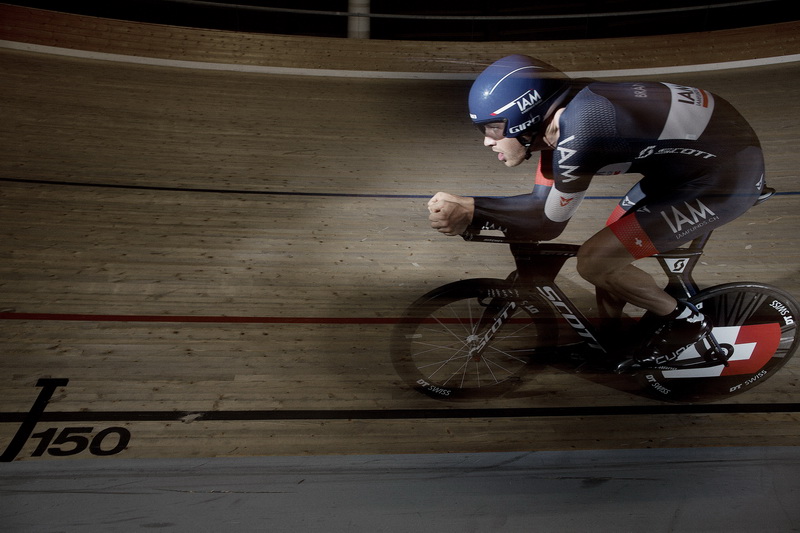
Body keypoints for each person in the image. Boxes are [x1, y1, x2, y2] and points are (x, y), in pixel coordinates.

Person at [427, 54, 768, 366]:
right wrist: (477, 211)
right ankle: (610, 342)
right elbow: (540, 205)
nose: (487, 140)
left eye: (493, 128)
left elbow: (546, 222)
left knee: (597, 259)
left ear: (524, 116)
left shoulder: (583, 131)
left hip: (726, 179)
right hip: (684, 168)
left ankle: (687, 325)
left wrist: (471, 208)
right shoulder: (560, 116)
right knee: (610, 249)